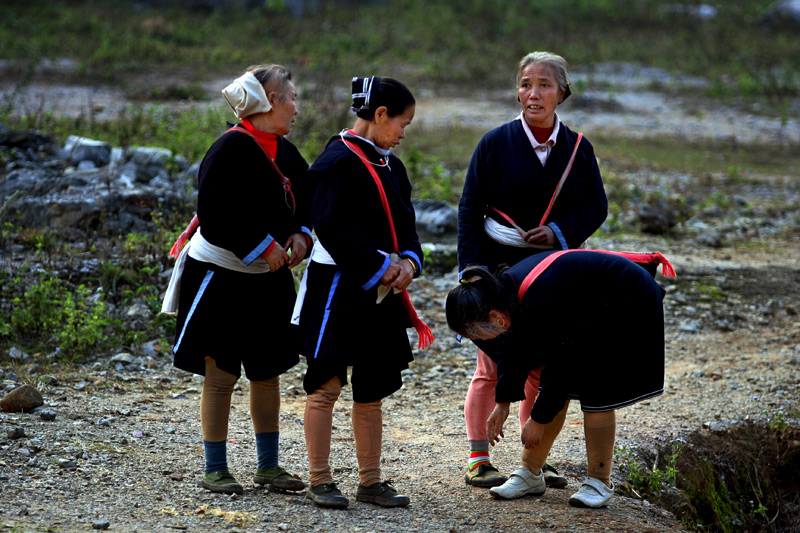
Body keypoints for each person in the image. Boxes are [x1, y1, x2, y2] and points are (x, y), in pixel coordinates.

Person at [457, 51, 608, 489]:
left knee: (541, 367)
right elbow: (470, 210)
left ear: (562, 92)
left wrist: (560, 231)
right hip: (497, 269)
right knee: (491, 365)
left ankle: (533, 458)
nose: (533, 93)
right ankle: (479, 456)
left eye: (544, 84)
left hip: (552, 271)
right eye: (525, 84)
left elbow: (596, 206)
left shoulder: (579, 149)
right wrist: (472, 272)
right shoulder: (494, 143)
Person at [164, 64, 311, 495]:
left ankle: (268, 467)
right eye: (291, 98)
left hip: (268, 278)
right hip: (221, 277)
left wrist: (299, 234)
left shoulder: (284, 150)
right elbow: (216, 214)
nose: (296, 107)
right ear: (265, 101)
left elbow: (305, 197)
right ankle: (216, 468)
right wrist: (264, 246)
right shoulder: (228, 150)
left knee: (267, 371)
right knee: (222, 373)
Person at [293, 76, 431, 509]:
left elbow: (406, 226)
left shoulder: (393, 165)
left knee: (371, 388)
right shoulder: (336, 161)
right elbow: (331, 228)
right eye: (402, 123)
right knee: (325, 384)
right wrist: (380, 266)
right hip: (338, 288)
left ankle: (369, 481)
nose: (404, 134)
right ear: (381, 115)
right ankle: (320, 479)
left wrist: (409, 262)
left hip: (381, 292)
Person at [446, 250, 671, 508]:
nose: (478, 338)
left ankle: (599, 480)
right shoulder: (506, 296)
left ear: (494, 317)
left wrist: (537, 420)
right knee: (557, 390)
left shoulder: (542, 297)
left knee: (597, 394)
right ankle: (530, 473)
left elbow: (561, 365)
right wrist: (503, 403)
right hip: (586, 309)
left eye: (475, 332)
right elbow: (511, 350)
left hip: (625, 302)